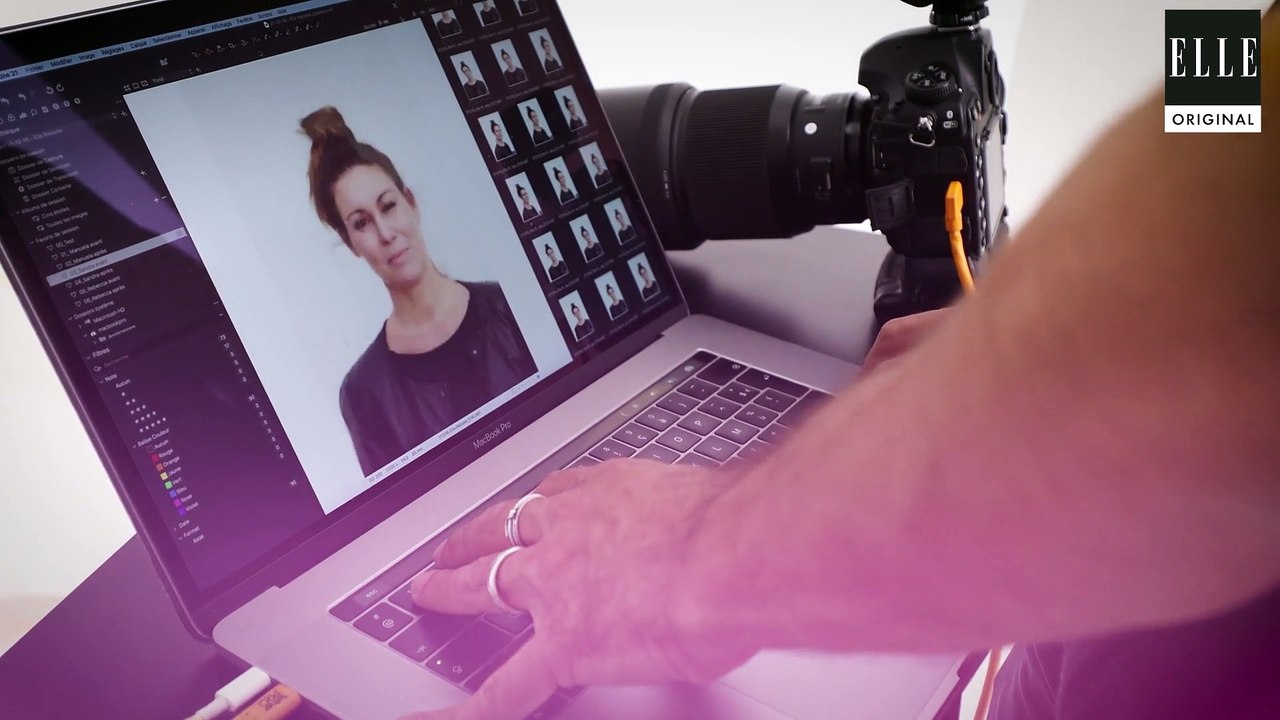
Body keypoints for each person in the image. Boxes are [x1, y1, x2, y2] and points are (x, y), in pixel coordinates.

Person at [400, 10, 1280, 720]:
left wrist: (699, 559)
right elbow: (1238, 150)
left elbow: (1235, 291)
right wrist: (1081, 339)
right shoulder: (1224, 44)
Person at [300, 107, 537, 477]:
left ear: (411, 202)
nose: (385, 233)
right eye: (361, 223)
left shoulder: (509, 306)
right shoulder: (363, 393)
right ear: (351, 244)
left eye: (388, 206)